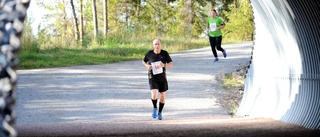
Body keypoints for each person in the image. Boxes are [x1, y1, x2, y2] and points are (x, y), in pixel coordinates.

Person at [142, 38, 173, 120]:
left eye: (158, 44)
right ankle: (155, 107)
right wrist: (147, 66)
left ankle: (160, 112)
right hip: (153, 77)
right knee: (154, 94)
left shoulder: (164, 53)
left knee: (162, 97)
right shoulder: (149, 54)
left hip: (162, 77)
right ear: (153, 45)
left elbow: (171, 64)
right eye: (155, 44)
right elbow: (143, 61)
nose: (157, 46)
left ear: (161, 45)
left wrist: (164, 65)